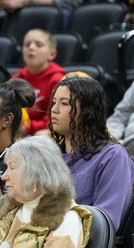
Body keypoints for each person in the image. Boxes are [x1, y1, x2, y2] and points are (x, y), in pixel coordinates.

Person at [50, 76, 134, 230]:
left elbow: (107, 221)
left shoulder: (113, 157)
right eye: (54, 102)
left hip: (80, 246)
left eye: (64, 103)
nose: (54, 109)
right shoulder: (49, 156)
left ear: (88, 111)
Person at [14, 29, 66, 134]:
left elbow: (55, 119)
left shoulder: (57, 80)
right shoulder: (16, 79)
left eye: (39, 45)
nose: (31, 47)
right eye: (27, 44)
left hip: (40, 134)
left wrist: (27, 128)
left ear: (52, 54)